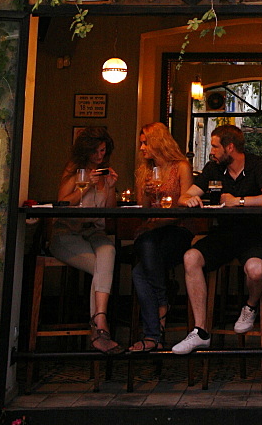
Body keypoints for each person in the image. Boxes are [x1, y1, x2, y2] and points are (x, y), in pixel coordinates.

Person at [172, 124, 262, 355]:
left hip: (254, 234)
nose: (211, 150)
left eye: (214, 146)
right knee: (191, 257)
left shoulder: (256, 164)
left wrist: (239, 201)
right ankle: (200, 332)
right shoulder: (213, 168)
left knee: (257, 270)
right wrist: (187, 200)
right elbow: (185, 195)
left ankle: (250, 306)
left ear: (230, 147)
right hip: (224, 235)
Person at [49, 126, 121, 353]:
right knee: (102, 270)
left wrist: (110, 188)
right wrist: (86, 185)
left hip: (94, 232)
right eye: (95, 152)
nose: (99, 156)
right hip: (67, 232)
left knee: (108, 252)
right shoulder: (75, 170)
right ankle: (100, 328)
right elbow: (62, 202)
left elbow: (109, 215)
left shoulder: (105, 173)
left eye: (103, 151)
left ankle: (98, 325)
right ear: (85, 152)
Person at [128, 122, 194, 351]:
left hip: (176, 230)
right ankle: (160, 312)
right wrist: (146, 193)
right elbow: (143, 209)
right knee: (141, 263)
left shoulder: (181, 167)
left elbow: (184, 207)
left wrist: (158, 223)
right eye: (141, 143)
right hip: (151, 232)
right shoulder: (145, 170)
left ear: (158, 142)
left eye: (145, 143)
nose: (142, 148)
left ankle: (152, 334)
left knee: (140, 271)